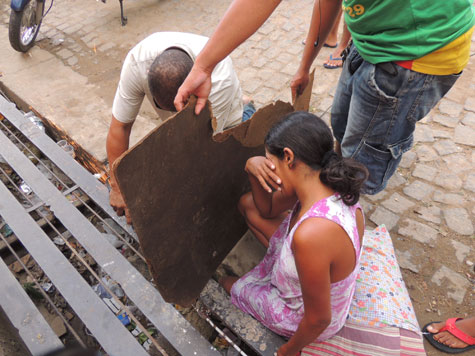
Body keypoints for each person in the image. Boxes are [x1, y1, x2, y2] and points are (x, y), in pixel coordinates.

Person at [174, 0, 475, 195]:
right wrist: (304, 66)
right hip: (373, 38)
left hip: (415, 53)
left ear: (289, 158)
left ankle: (347, 206)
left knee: (363, 159)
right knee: (343, 128)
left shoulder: (307, 240)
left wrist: (204, 64)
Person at [220, 112, 368, 356]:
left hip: (304, 315)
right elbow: (266, 209)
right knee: (248, 204)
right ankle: (275, 269)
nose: (268, 168)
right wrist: (251, 167)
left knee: (229, 284)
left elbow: (319, 319)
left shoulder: (311, 236)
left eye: (270, 161)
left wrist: (289, 350)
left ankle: (253, 291)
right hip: (312, 271)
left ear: (288, 157)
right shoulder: (324, 180)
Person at [107, 32, 255, 223]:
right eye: (163, 107)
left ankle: (246, 106)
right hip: (193, 97)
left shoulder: (219, 80)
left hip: (224, 116)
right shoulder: (137, 64)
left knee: (220, 165)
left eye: (179, 109)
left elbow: (196, 151)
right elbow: (120, 127)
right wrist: (117, 187)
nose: (173, 116)